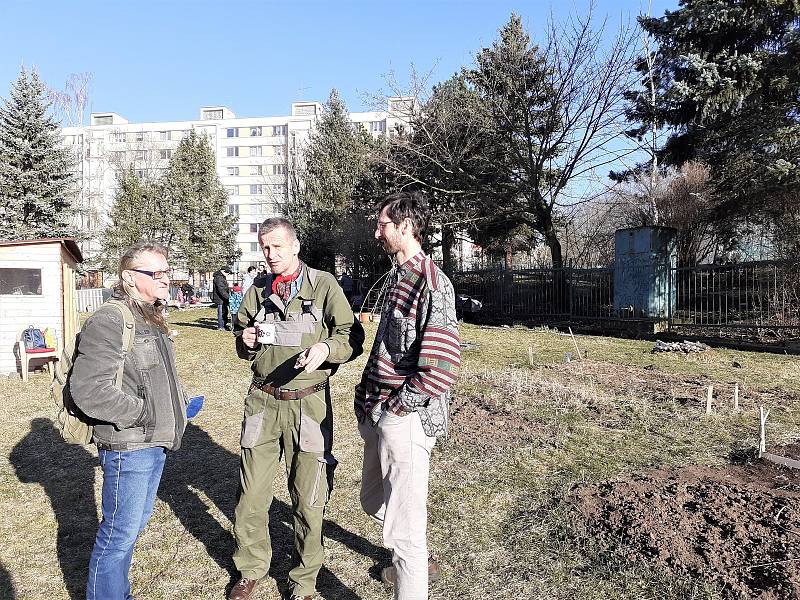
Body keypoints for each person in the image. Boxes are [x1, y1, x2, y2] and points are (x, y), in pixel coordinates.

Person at [229, 217, 364, 600]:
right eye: (265, 248)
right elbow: (242, 343)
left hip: (309, 406)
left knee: (308, 498)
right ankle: (250, 569)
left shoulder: (323, 285)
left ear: (295, 246)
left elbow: (351, 335)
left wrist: (326, 350)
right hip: (262, 401)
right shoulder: (256, 289)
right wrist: (247, 339)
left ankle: (303, 582)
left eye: (277, 247)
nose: (270, 255)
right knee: (252, 494)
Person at [355, 191, 461, 600]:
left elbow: (441, 367)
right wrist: (367, 398)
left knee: (407, 531)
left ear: (404, 226)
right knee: (372, 500)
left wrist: (398, 408)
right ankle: (408, 553)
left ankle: (410, 566)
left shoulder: (432, 282)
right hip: (379, 411)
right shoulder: (398, 278)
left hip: (407, 418)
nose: (376, 231)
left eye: (382, 223)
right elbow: (387, 347)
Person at [69, 241, 188, 600]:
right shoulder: (110, 319)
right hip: (129, 445)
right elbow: (89, 390)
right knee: (118, 535)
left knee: (130, 529)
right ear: (129, 278)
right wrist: (142, 414)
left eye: (166, 272)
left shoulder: (149, 315)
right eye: (157, 273)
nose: (166, 279)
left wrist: (177, 404)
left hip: (152, 442)